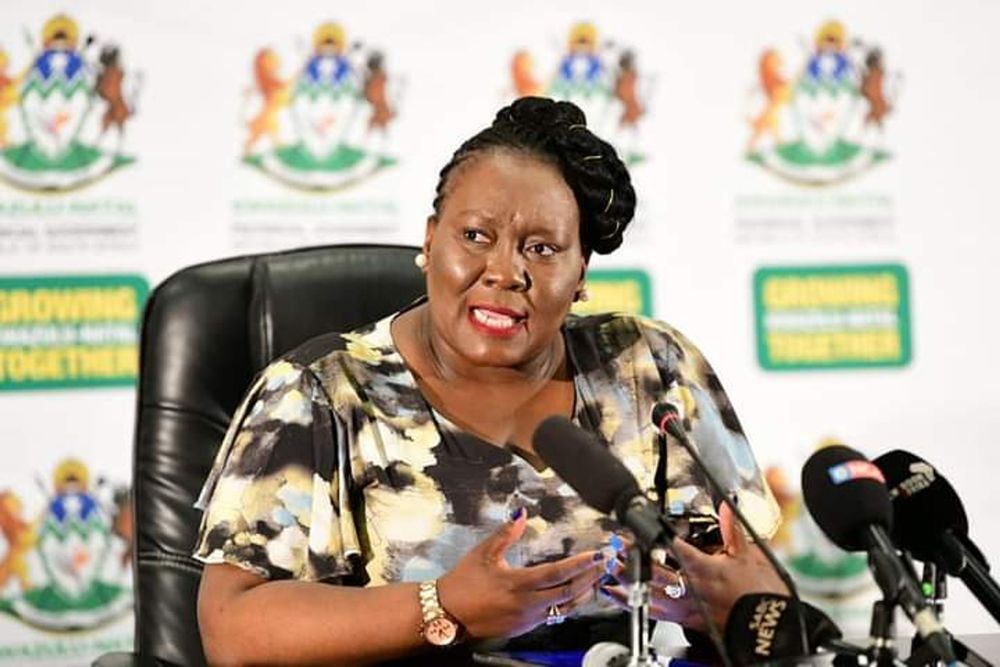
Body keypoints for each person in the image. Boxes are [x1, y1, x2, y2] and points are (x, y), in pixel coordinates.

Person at [194, 96, 786, 665]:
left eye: (542, 248)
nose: (505, 272)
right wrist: (444, 606)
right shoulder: (321, 392)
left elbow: (761, 587)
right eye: (476, 236)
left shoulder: (648, 366)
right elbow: (232, 627)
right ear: (431, 239)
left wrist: (731, 609)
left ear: (581, 273)